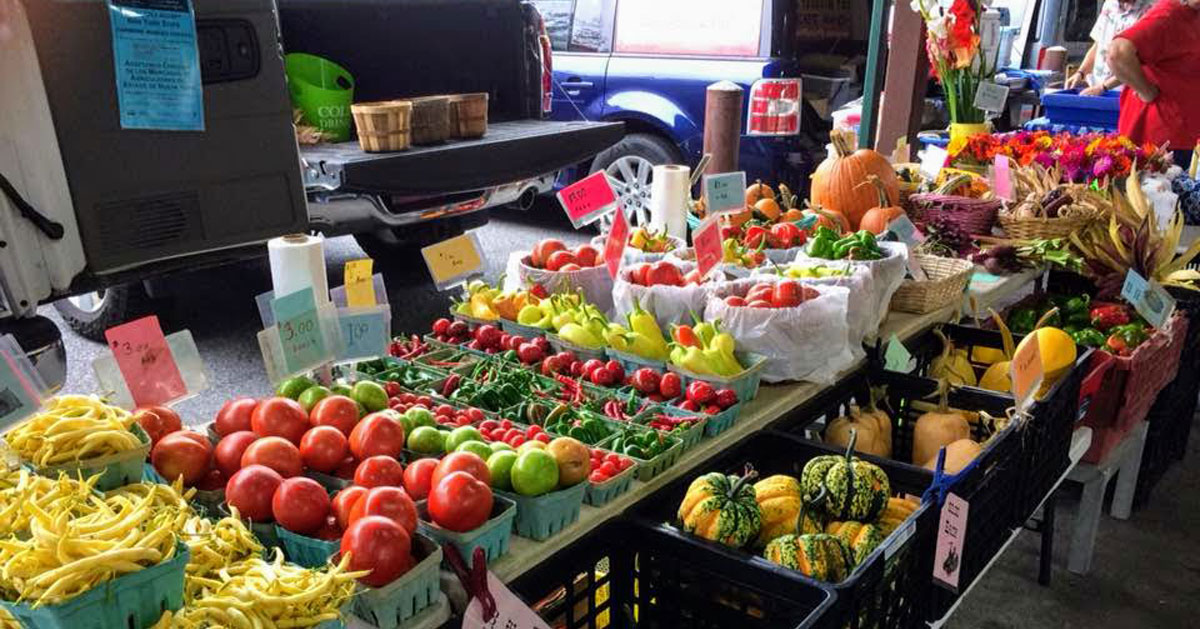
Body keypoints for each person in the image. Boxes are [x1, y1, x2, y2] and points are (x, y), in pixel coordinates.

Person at [1108, 0, 1200, 164]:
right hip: (1162, 142)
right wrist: (1146, 91)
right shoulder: (1169, 14)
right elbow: (1119, 53)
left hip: (1186, 136)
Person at [1065, 0, 1154, 95]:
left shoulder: (1148, 12)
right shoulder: (1109, 5)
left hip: (1123, 93)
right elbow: (1098, 45)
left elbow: (1136, 64)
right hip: (1097, 88)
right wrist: (1081, 73)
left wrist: (1103, 87)